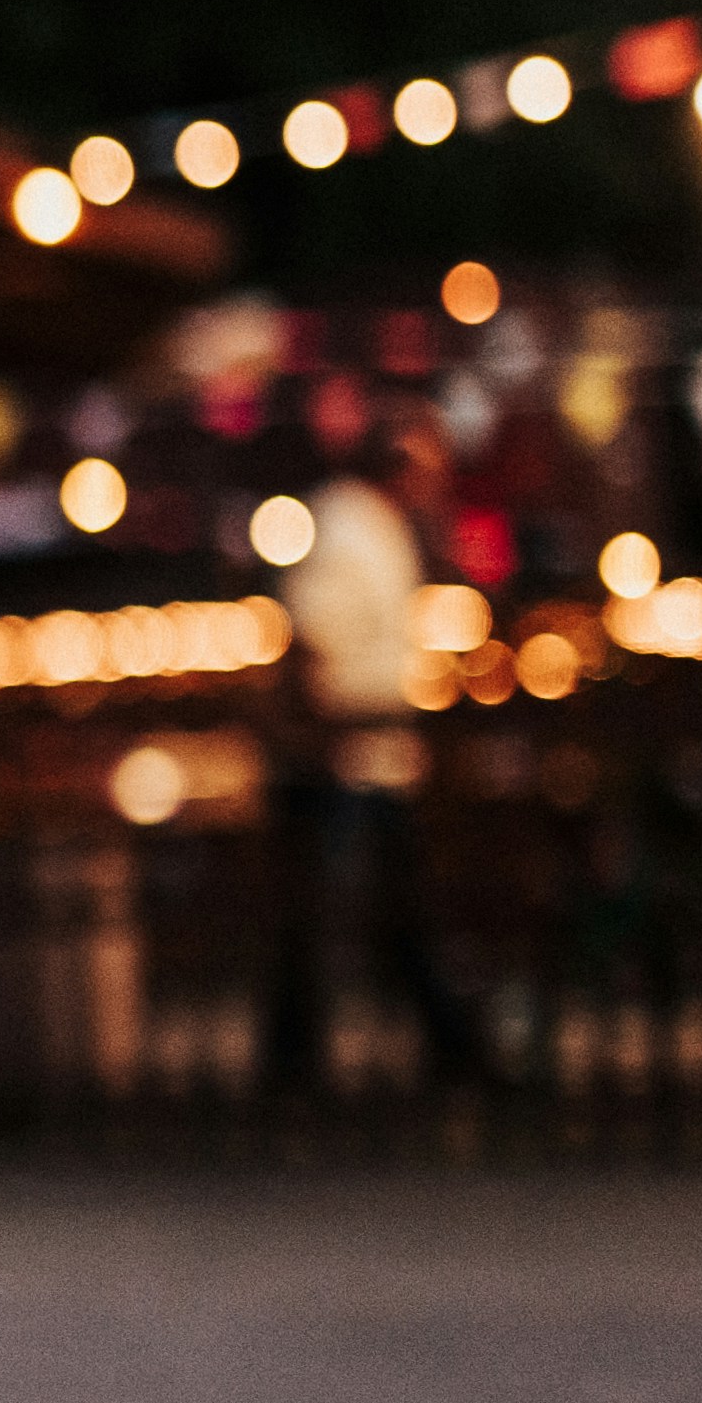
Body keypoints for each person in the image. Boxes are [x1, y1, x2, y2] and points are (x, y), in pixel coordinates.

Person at [260, 451, 492, 1095]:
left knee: (379, 909)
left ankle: (310, 1059)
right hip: (348, 758)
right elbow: (312, 636)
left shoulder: (373, 524)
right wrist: (320, 738)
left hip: (371, 754)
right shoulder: (347, 524)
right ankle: (302, 1063)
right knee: (354, 910)